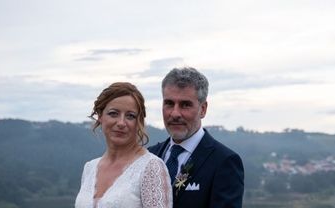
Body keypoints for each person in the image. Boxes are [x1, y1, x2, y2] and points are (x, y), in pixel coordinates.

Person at [149, 67, 244, 208]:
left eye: (185, 105)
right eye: (169, 103)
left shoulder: (224, 162)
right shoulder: (150, 155)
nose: (175, 113)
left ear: (203, 109)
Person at [75, 82, 172, 208]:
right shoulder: (90, 168)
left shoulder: (151, 167)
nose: (121, 123)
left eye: (130, 116)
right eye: (113, 113)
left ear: (139, 122)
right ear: (100, 116)